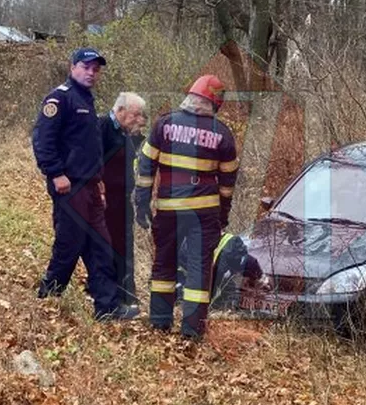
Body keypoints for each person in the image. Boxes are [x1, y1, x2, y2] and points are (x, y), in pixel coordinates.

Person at [32, 47, 138, 321]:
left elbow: (89, 148)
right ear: (73, 67)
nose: (91, 73)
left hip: (90, 186)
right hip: (70, 187)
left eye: (96, 69)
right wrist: (56, 173)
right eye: (86, 67)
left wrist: (98, 180)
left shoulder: (87, 101)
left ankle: (107, 307)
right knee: (69, 244)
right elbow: (43, 140)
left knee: (101, 246)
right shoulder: (60, 98)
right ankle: (47, 296)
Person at [135, 75, 239, 339]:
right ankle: (192, 332)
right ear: (215, 104)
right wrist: (222, 216)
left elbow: (145, 165)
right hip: (204, 214)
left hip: (168, 210)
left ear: (190, 95)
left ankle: (159, 323)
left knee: (163, 264)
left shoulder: (164, 124)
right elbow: (227, 184)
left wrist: (141, 202)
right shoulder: (223, 134)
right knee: (199, 270)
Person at [99, 92, 148, 305]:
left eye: (140, 115)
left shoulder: (126, 133)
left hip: (123, 200)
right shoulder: (102, 127)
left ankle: (127, 294)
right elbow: (91, 160)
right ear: (120, 111)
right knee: (106, 247)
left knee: (124, 247)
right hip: (106, 200)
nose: (139, 119)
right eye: (134, 114)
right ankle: (110, 296)